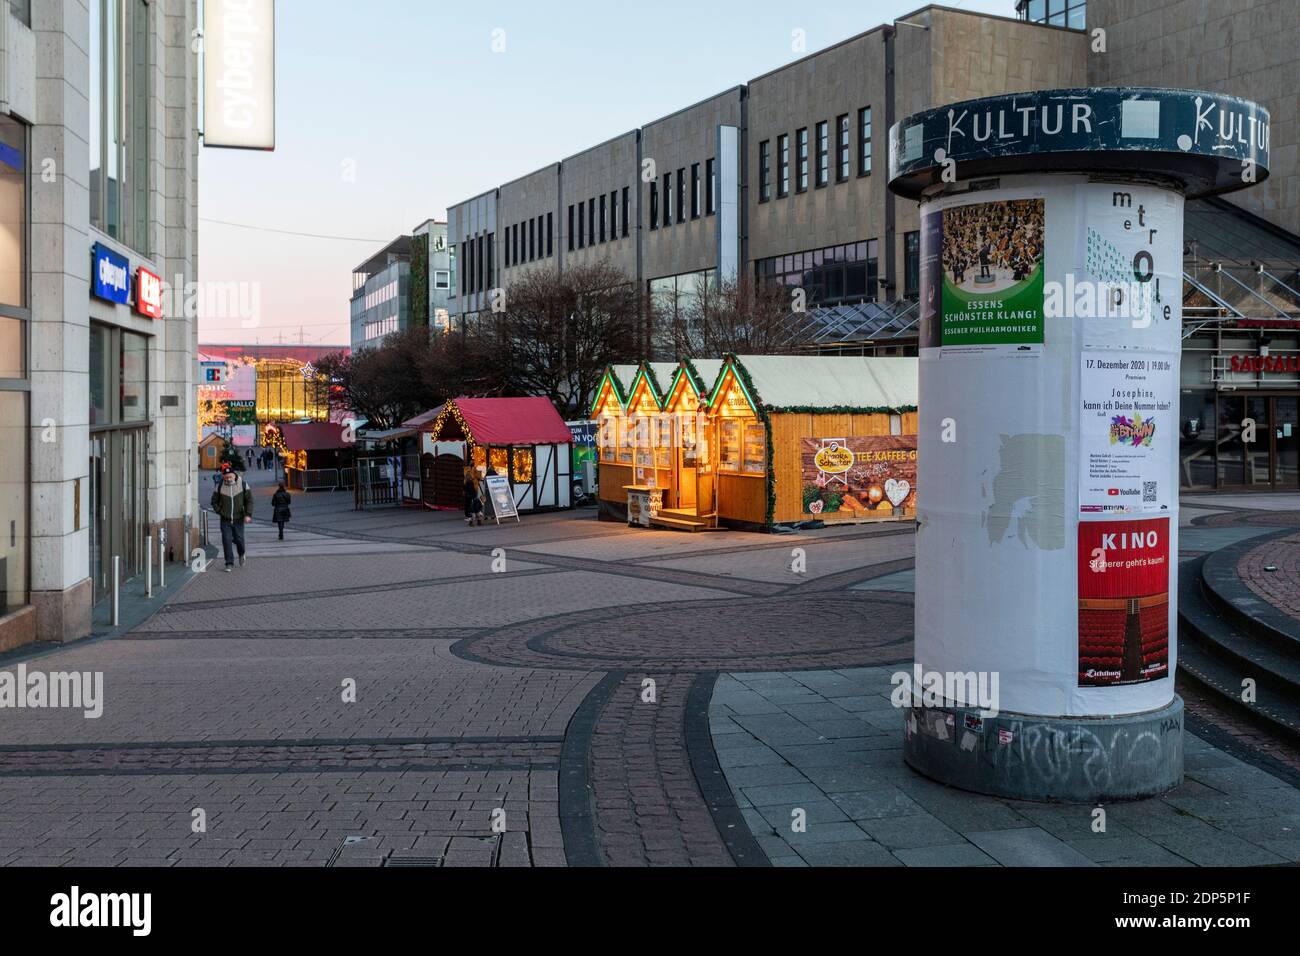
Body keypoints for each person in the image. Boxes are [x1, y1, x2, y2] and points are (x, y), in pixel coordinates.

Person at [210, 462, 253, 572]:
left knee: (239, 539)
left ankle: (241, 553)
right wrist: (219, 511)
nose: (229, 479)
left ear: (234, 475)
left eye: (230, 477)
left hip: (239, 518)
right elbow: (214, 501)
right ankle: (229, 563)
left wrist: (248, 514)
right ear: (223, 477)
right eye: (226, 477)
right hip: (225, 519)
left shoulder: (243, 484)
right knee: (226, 540)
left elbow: (249, 500)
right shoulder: (219, 486)